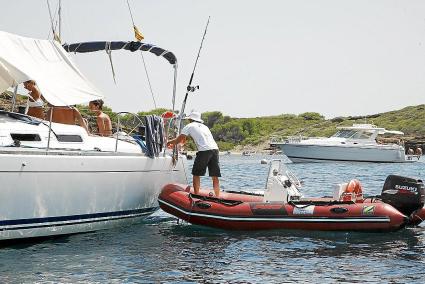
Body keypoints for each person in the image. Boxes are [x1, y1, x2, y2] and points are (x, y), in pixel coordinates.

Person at [167, 111, 221, 197]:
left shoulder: (189, 126)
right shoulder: (205, 127)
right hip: (215, 150)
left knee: (196, 174)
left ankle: (196, 196)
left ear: (190, 119)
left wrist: (168, 142)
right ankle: (217, 196)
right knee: (215, 175)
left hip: (204, 151)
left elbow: (178, 140)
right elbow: (183, 140)